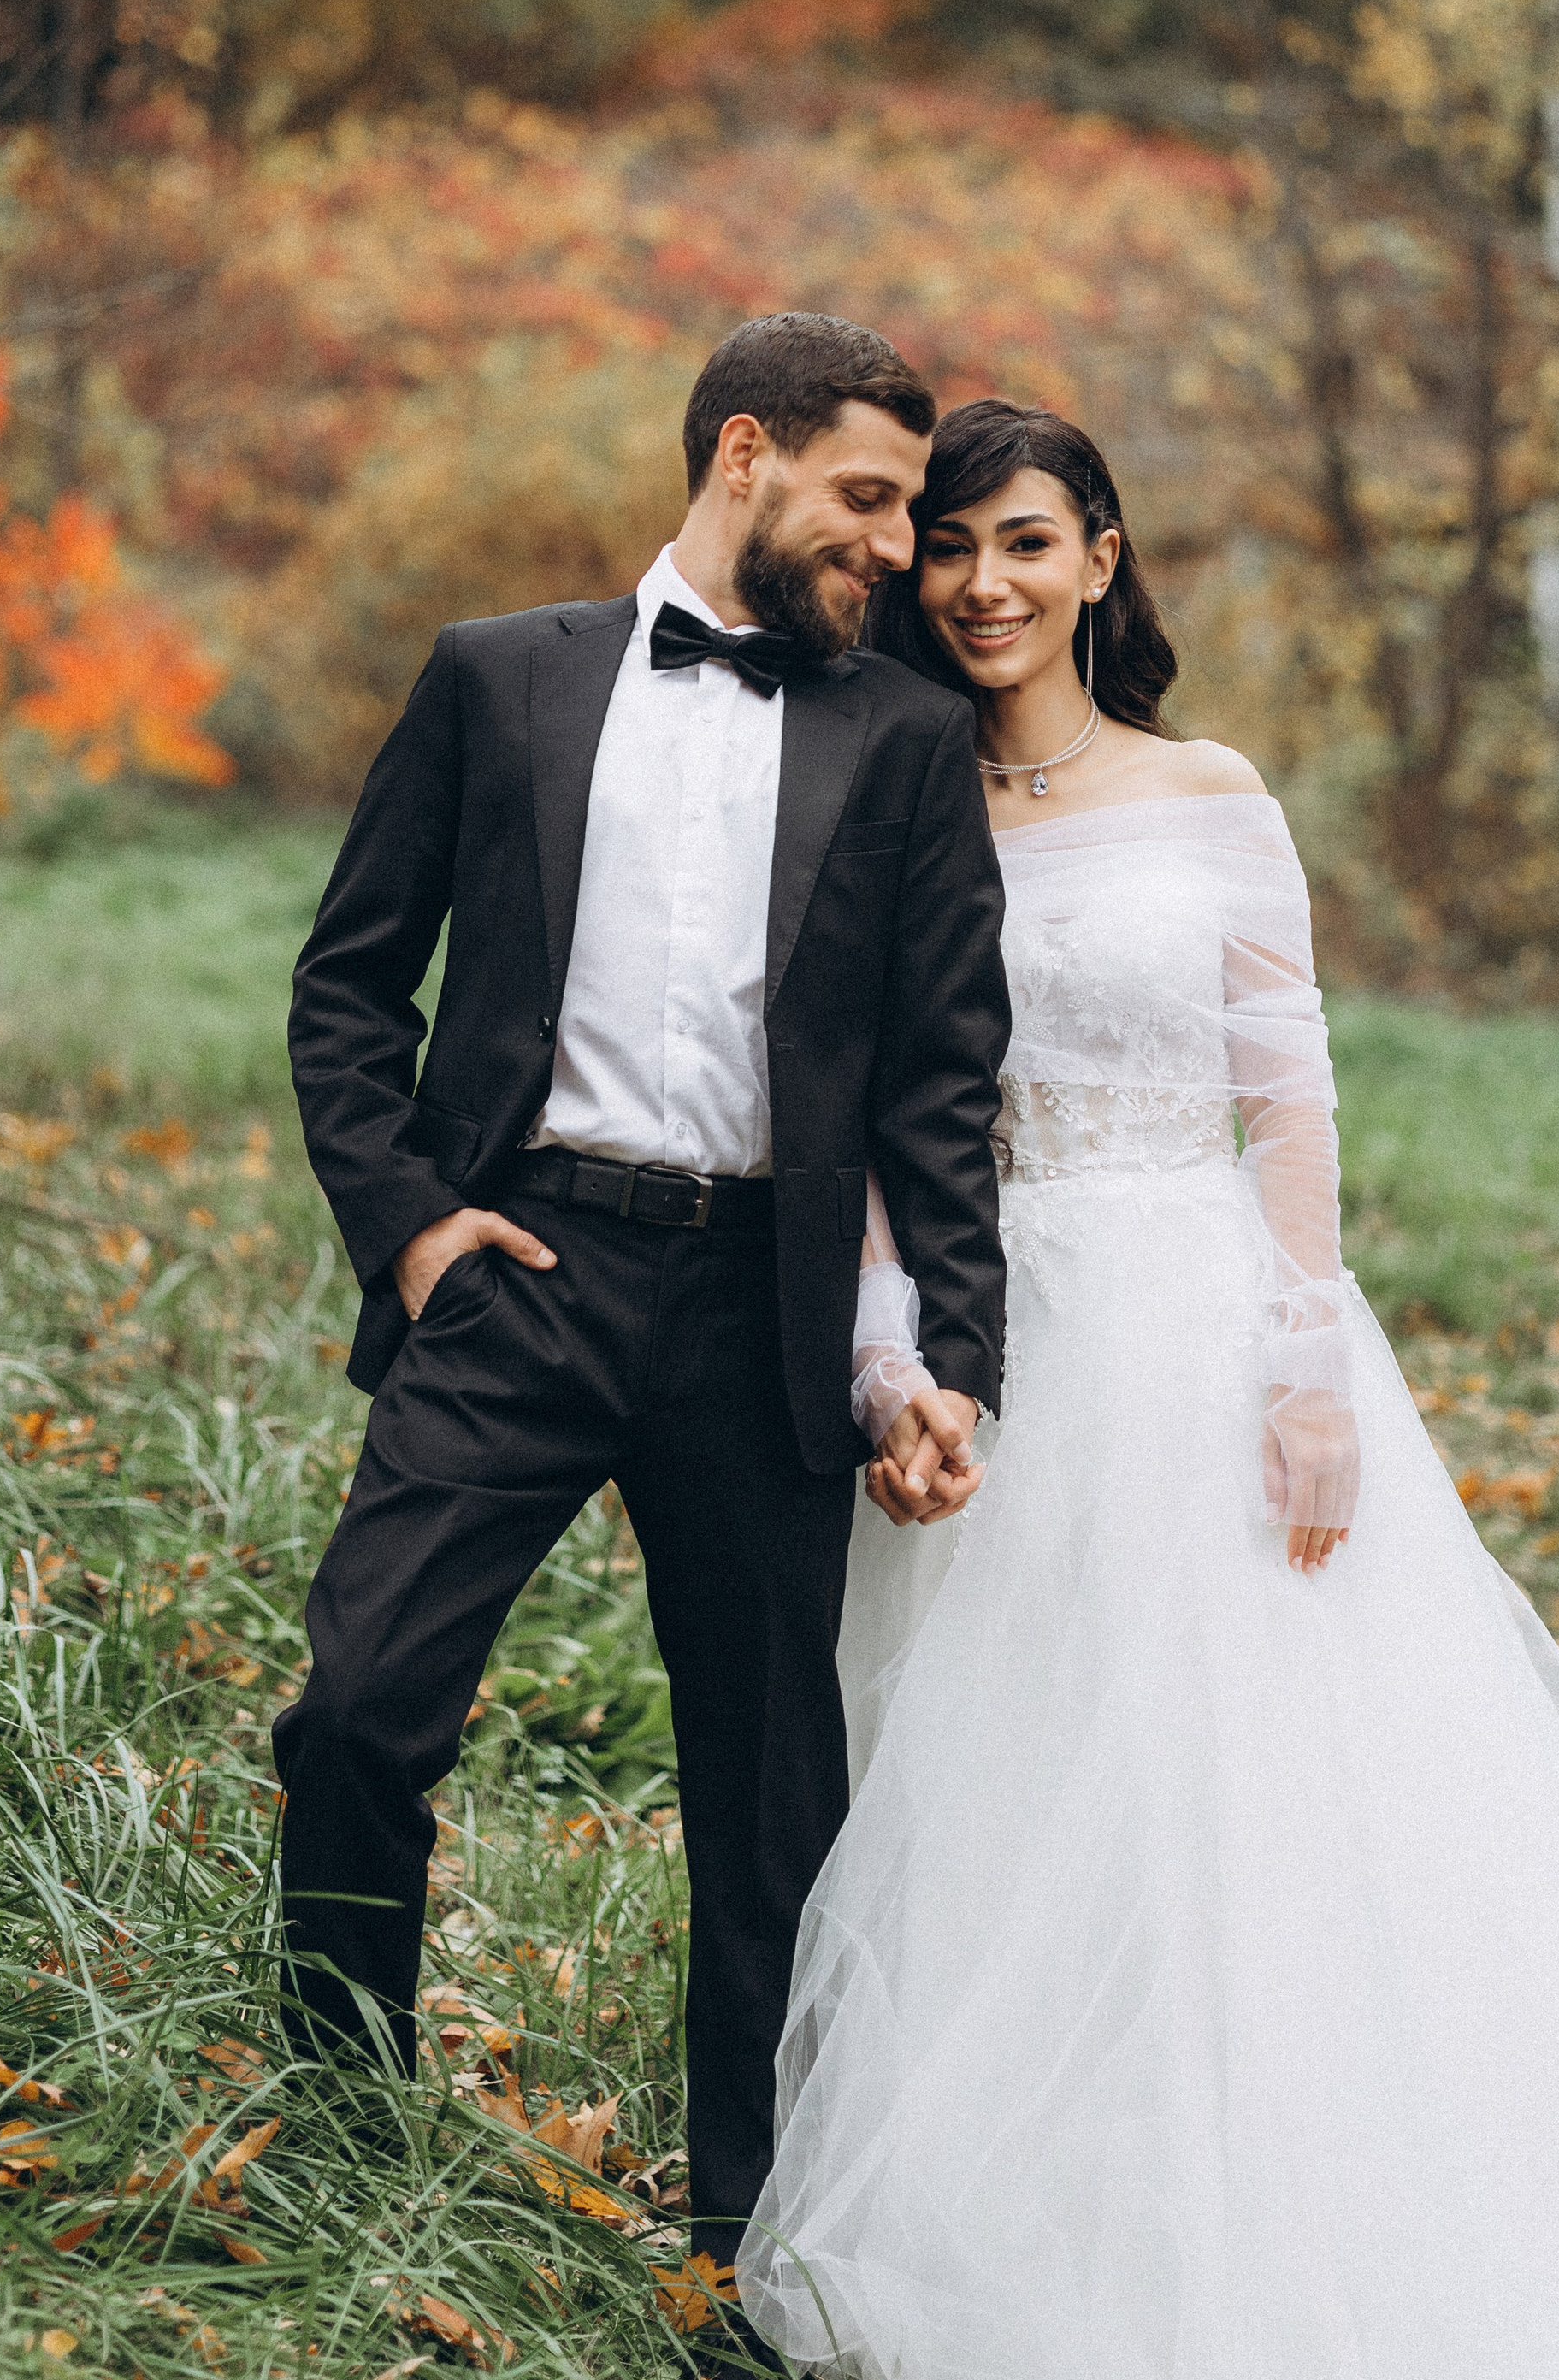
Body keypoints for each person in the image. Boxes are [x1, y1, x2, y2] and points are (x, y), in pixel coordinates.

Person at [739, 396, 1559, 2380]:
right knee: (1003, 1777)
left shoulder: (1208, 789)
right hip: (985, 1342)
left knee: (1243, 1769)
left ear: (1100, 559)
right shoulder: (884, 791)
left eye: (1025, 541)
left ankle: (1303, 2148)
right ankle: (1053, 2172)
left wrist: (1304, 1358)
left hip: (1194, 1320)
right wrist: (895, 1352)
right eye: (947, 548)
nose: (983, 584)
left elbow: (1284, 1090)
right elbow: (858, 1113)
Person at [274, 312, 1010, 2281]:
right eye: (865, 499)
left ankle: (746, 2239)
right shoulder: (494, 678)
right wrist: (412, 1224)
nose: (891, 549)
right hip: (515, 1272)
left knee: (768, 1801)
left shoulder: (907, 739)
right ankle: (337, 2135)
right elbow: (350, 983)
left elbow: (941, 1082)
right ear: (744, 453)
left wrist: (937, 1357)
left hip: (762, 1309)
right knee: (355, 1710)